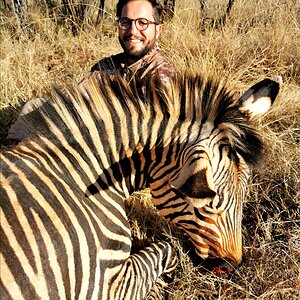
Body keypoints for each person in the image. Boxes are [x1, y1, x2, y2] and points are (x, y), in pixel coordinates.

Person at [7, 0, 175, 143]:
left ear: (158, 29)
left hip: (115, 153)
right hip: (86, 133)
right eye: (126, 22)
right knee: (33, 107)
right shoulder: (107, 66)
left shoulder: (161, 76)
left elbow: (150, 135)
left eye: (142, 23)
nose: (133, 31)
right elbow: (75, 99)